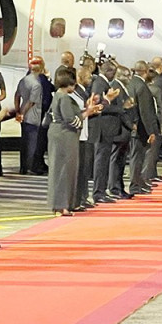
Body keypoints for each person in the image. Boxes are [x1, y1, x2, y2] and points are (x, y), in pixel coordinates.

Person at [47, 68, 101, 216]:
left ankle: (58, 204)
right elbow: (71, 120)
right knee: (66, 170)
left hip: (58, 134)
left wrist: (87, 108)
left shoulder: (57, 96)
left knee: (58, 170)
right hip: (65, 136)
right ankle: (63, 204)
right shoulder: (64, 98)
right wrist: (87, 113)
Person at [89, 60, 122, 203]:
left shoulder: (103, 84)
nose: (114, 76)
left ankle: (102, 191)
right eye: (113, 73)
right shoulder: (99, 84)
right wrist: (120, 108)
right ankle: (98, 192)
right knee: (101, 162)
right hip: (102, 128)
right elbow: (97, 106)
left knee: (104, 161)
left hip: (107, 129)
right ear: (108, 71)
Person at [127, 60, 159, 195]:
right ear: (145, 72)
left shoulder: (130, 84)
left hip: (132, 126)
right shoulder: (142, 87)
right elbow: (146, 111)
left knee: (136, 157)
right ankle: (135, 185)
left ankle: (138, 182)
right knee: (137, 158)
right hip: (140, 128)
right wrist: (151, 131)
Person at [108, 65, 136, 199]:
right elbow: (120, 110)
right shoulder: (115, 87)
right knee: (116, 159)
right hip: (118, 129)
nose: (130, 78)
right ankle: (114, 187)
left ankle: (119, 187)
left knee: (121, 160)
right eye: (127, 75)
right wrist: (131, 125)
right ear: (120, 76)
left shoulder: (122, 88)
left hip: (124, 130)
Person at [71, 67, 95, 210]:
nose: (90, 79)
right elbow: (77, 112)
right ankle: (77, 199)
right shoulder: (75, 92)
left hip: (83, 133)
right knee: (79, 171)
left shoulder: (82, 91)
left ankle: (82, 197)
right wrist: (88, 110)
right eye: (88, 76)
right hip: (78, 135)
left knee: (84, 170)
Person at [15, 58, 44, 175]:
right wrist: (23, 113)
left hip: (23, 115)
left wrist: (18, 111)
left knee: (24, 142)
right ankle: (31, 166)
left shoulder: (23, 80)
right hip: (33, 116)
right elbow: (31, 102)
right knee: (32, 143)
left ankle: (23, 167)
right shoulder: (37, 84)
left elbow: (17, 96)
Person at [143, 66, 162, 185]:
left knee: (148, 152)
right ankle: (150, 174)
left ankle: (150, 174)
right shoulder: (156, 90)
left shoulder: (142, 88)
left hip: (144, 123)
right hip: (155, 123)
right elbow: (160, 109)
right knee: (153, 151)